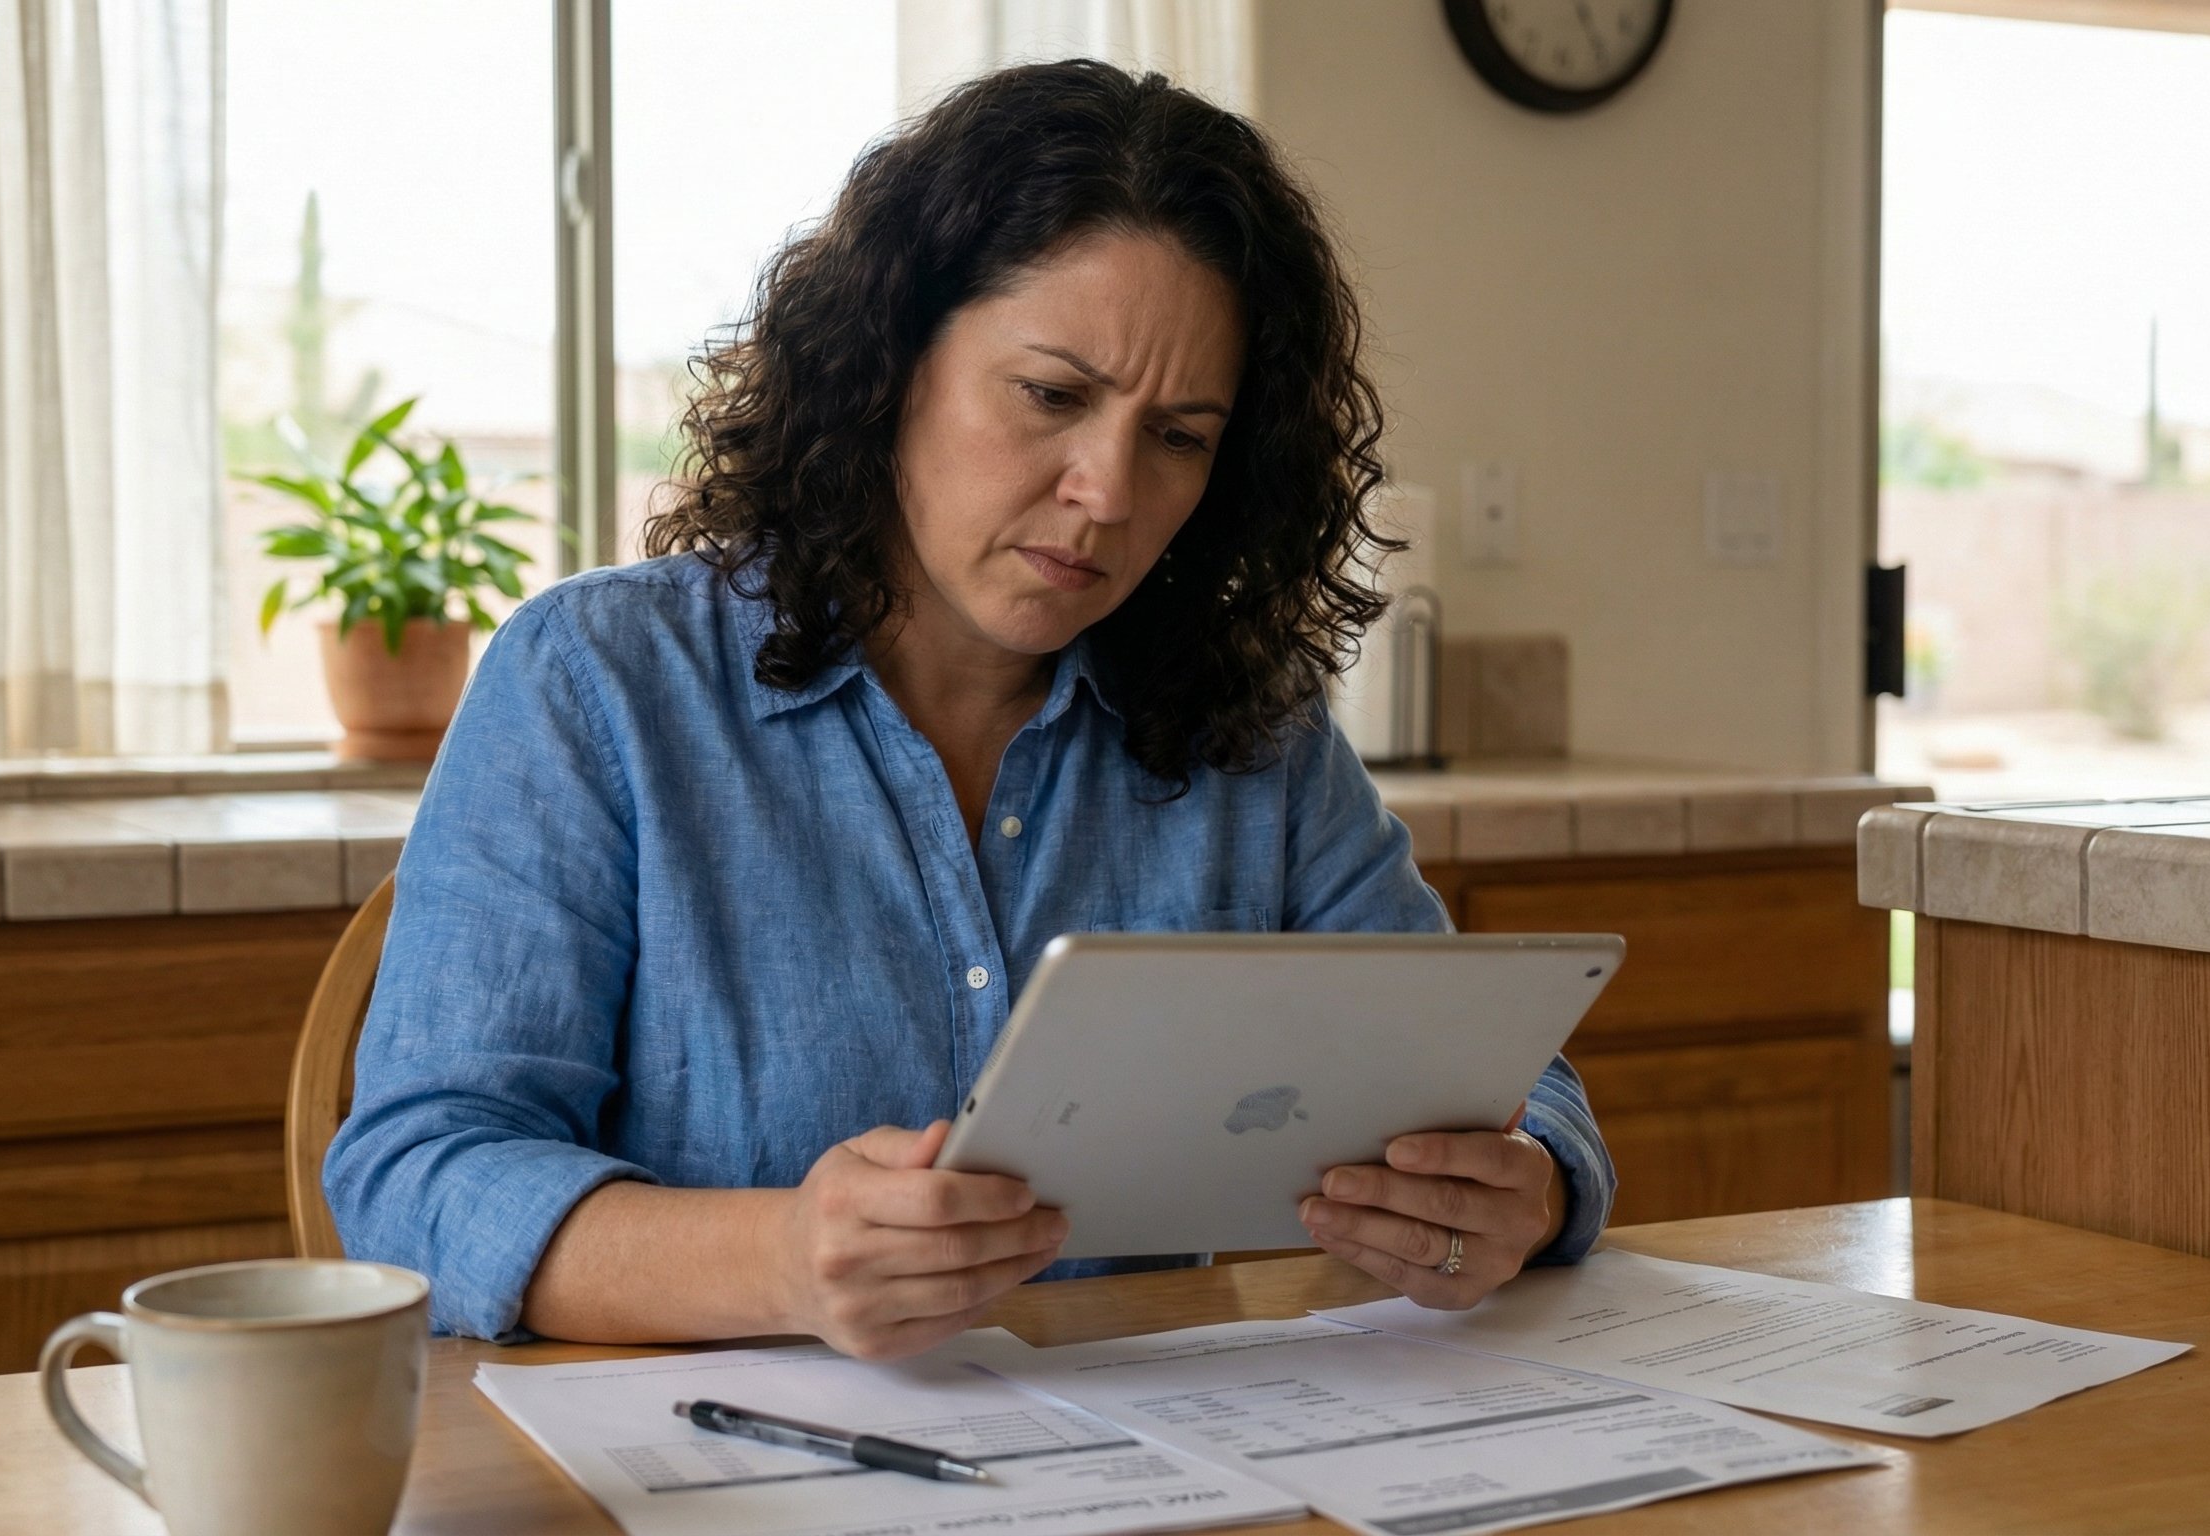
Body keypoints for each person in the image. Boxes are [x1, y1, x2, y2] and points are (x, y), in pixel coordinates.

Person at [325, 59, 1614, 1360]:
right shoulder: (597, 684)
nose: (1109, 492)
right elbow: (417, 1178)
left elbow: (1504, 1085)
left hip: (1143, 1447)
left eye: (1179, 436)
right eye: (1053, 396)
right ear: (889, 364)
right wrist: (780, 1263)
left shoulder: (1254, 724)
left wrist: (1527, 1187)